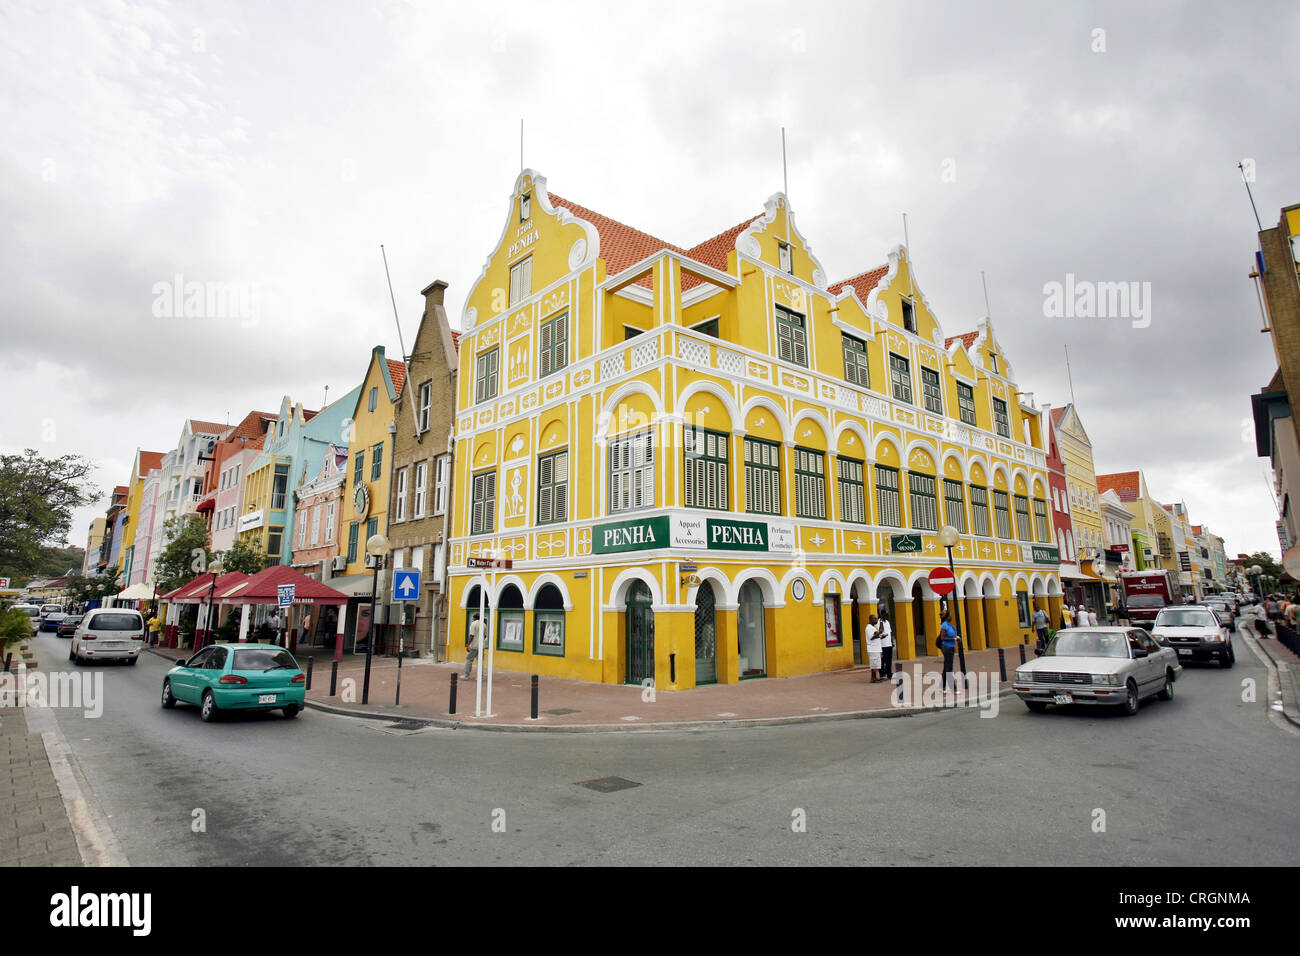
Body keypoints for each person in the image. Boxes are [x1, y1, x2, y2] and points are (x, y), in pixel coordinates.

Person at [938, 610, 959, 694]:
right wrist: (954, 639)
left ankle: (942, 687)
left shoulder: (950, 625)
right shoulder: (944, 625)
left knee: (946, 667)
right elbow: (943, 638)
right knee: (949, 667)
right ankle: (953, 688)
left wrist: (956, 638)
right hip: (947, 647)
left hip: (951, 647)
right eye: (950, 615)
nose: (951, 616)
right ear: (947, 617)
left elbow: (952, 634)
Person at [465, 613, 486, 678]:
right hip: (481, 645)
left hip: (473, 646)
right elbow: (485, 636)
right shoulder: (484, 625)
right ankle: (480, 676)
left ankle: (466, 675)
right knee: (480, 661)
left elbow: (471, 635)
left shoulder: (473, 624)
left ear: (474, 618)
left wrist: (468, 645)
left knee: (469, 659)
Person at [866, 615, 882, 683]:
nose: (876, 620)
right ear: (870, 620)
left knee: (877, 664)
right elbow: (871, 637)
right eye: (874, 619)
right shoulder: (868, 628)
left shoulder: (873, 627)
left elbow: (876, 636)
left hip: (877, 648)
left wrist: (881, 636)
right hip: (872, 648)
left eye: (876, 618)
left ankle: (875, 677)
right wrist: (879, 633)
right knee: (873, 664)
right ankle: (873, 678)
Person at [878, 612, 894, 680]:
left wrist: (892, 641)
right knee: (882, 660)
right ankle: (882, 674)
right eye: (886, 614)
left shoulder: (887, 622)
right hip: (882, 644)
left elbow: (890, 632)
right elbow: (880, 630)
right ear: (882, 615)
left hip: (889, 644)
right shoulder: (879, 622)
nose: (887, 616)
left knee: (889, 660)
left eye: (887, 614)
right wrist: (881, 621)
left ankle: (889, 674)